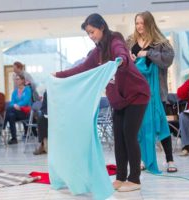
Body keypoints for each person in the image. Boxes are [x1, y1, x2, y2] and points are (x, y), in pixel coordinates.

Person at [54, 13, 150, 192]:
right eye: (88, 34)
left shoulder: (115, 41)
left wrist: (120, 60)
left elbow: (122, 52)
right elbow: (82, 68)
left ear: (102, 27)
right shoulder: (97, 52)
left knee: (129, 135)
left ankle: (135, 179)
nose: (91, 36)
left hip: (137, 94)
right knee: (118, 138)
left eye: (92, 32)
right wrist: (58, 75)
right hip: (118, 99)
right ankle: (121, 177)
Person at [126, 11, 177, 173]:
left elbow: (168, 59)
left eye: (142, 23)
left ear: (149, 23)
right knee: (139, 126)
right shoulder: (130, 41)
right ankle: (143, 158)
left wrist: (148, 53)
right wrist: (130, 58)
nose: (139, 26)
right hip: (136, 91)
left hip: (156, 92)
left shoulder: (160, 42)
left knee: (160, 123)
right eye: (137, 23)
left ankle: (169, 160)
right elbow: (122, 59)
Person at [4, 74, 32, 144]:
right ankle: (14, 138)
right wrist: (15, 106)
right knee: (11, 115)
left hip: (25, 112)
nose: (16, 81)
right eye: (15, 79)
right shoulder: (14, 92)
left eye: (18, 79)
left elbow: (25, 101)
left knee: (9, 109)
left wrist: (17, 105)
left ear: (22, 80)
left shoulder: (27, 90)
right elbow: (12, 102)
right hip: (16, 112)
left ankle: (3, 126)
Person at [33, 91, 48, 155]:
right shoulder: (47, 93)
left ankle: (44, 146)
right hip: (49, 114)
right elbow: (44, 108)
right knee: (41, 118)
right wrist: (46, 113)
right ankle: (43, 144)